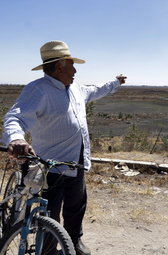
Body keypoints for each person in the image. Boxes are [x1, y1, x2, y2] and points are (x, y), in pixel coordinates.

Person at [0, 40, 126, 255]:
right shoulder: (38, 90)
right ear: (59, 66)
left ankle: (74, 243)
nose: (75, 70)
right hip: (51, 168)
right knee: (49, 214)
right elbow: (16, 117)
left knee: (76, 208)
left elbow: (96, 90)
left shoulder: (76, 88)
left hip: (75, 163)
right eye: (71, 64)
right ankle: (49, 251)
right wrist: (16, 139)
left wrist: (115, 82)